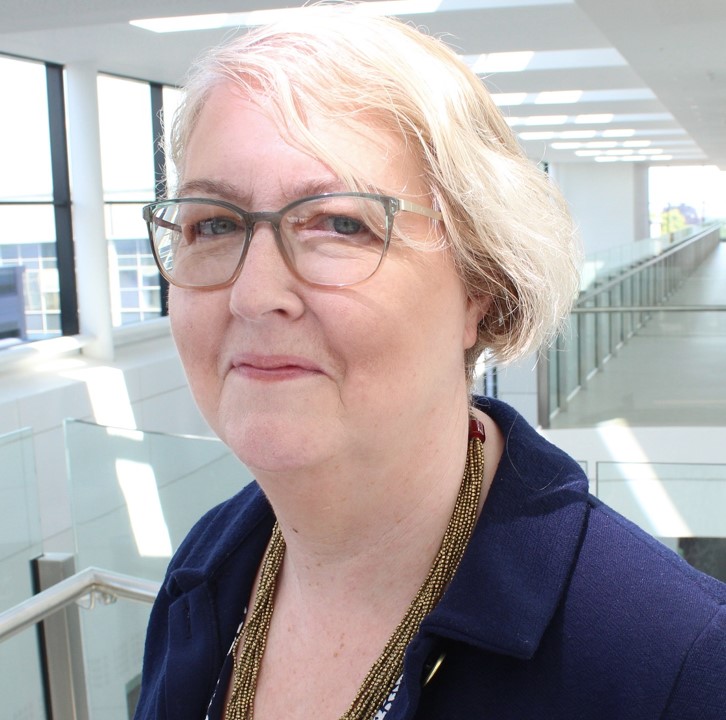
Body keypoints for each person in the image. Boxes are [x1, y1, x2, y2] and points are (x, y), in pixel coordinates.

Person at [134, 6, 726, 720]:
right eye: (213, 224)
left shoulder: (671, 663)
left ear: (481, 284)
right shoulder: (208, 568)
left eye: (340, 224)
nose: (254, 295)